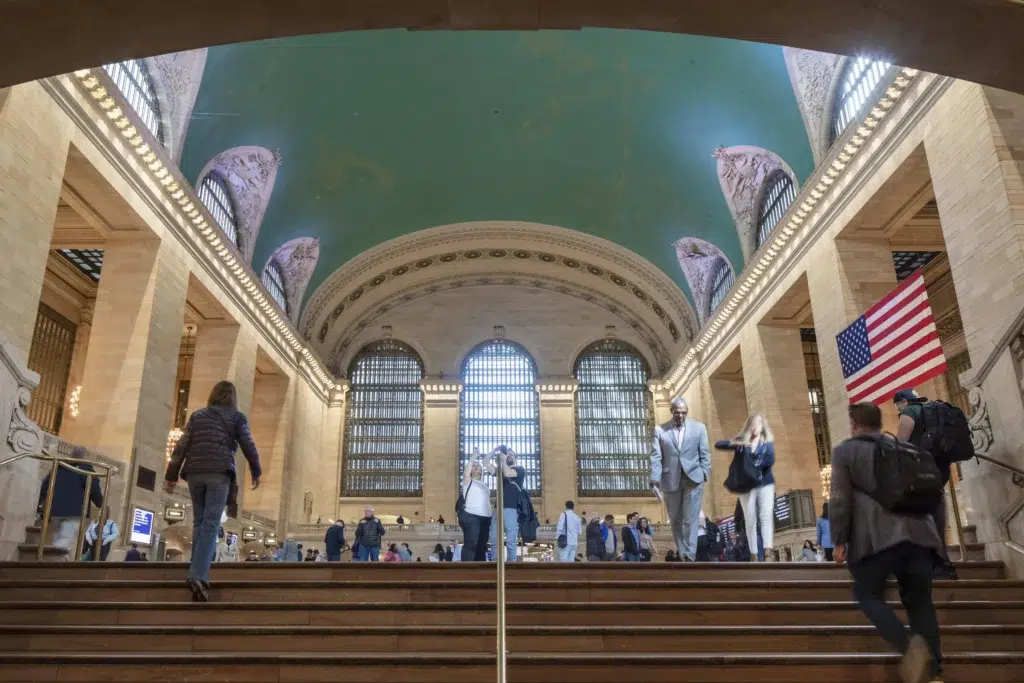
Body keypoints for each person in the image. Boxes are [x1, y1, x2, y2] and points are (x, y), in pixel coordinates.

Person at [831, 402, 944, 683]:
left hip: (876, 538)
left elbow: (840, 500)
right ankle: (934, 675)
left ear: (855, 424)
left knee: (867, 595)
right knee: (920, 604)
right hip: (922, 536)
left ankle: (910, 649)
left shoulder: (846, 451)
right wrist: (937, 539)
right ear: (879, 422)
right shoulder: (908, 449)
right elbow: (936, 496)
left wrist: (839, 540)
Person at [164, 380, 261, 602]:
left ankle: (194, 569)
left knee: (199, 522)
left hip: (195, 473)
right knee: (210, 524)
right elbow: (249, 445)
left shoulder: (198, 416)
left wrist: (171, 475)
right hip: (219, 472)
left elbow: (181, 446)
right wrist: (256, 471)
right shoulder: (236, 418)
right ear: (232, 398)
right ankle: (198, 575)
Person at [894, 388, 958, 580]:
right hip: (941, 469)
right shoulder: (932, 408)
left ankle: (933, 562)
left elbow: (901, 441)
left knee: (921, 517)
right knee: (935, 513)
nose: (897, 408)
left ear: (903, 402)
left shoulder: (909, 412)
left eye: (897, 405)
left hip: (922, 471)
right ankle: (944, 563)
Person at [651, 398, 711, 561]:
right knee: (676, 520)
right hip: (670, 479)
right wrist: (654, 480)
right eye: (677, 413)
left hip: (694, 478)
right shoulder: (660, 430)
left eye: (684, 413)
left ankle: (689, 556)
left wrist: (705, 472)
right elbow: (656, 457)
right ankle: (683, 553)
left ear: (687, 412)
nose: (681, 416)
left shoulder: (699, 428)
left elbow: (705, 453)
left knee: (690, 519)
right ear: (672, 412)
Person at [717, 413, 776, 562]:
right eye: (753, 424)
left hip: (765, 483)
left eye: (759, 423)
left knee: (766, 515)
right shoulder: (741, 442)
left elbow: (770, 460)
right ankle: (754, 553)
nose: (756, 427)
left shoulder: (767, 442)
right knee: (750, 518)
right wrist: (736, 443)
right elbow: (719, 444)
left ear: (763, 426)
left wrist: (752, 468)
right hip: (747, 485)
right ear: (749, 425)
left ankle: (768, 549)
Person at [37, 446, 104, 553]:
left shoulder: (60, 467)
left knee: (57, 537)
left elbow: (45, 485)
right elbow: (94, 490)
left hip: (54, 510)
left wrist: (39, 506)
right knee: (64, 539)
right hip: (74, 511)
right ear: (85, 457)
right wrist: (101, 504)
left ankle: (59, 560)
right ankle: (56, 564)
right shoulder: (86, 469)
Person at [488, 446, 525, 562]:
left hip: (511, 509)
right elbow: (485, 462)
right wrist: (495, 450)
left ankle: (512, 564)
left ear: (515, 458)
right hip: (497, 509)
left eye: (511, 455)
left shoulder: (519, 469)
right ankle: (495, 562)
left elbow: (508, 473)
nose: (509, 456)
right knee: (494, 539)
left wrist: (503, 460)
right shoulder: (500, 471)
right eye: (507, 454)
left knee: (510, 540)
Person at [459, 453, 493, 561]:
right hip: (471, 516)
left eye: (478, 465)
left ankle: (480, 571)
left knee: (481, 546)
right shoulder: (468, 481)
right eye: (473, 466)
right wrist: (472, 458)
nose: (476, 466)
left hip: (486, 518)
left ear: (482, 471)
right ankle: (466, 571)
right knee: (471, 544)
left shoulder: (485, 485)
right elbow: (465, 474)